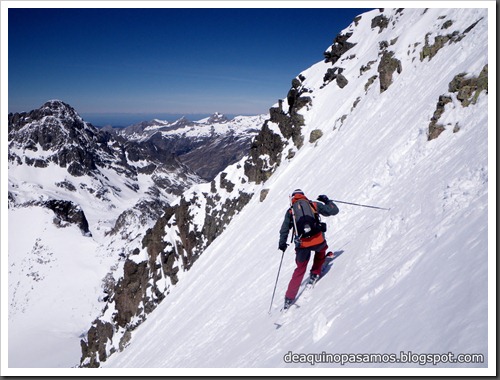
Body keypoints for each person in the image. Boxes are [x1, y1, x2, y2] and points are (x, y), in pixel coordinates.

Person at [278, 189, 339, 310]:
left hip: (302, 244)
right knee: (321, 252)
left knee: (300, 268)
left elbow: (284, 229)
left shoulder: (291, 211)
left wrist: (282, 243)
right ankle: (315, 273)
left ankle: (289, 298)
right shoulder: (313, 205)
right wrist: (327, 201)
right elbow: (334, 210)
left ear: (292, 198)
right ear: (303, 196)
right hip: (318, 240)